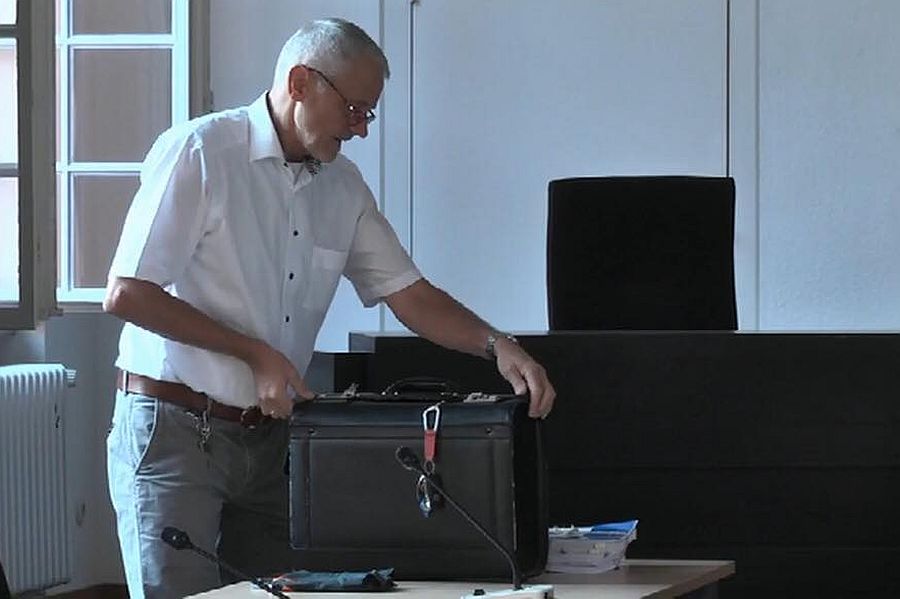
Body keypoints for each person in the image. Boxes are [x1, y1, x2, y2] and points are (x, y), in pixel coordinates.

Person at [103, 17, 556, 599]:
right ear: (300, 83)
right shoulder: (201, 152)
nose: (361, 129)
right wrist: (255, 354)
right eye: (354, 109)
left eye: (369, 114)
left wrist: (498, 345)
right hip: (175, 432)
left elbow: (410, 294)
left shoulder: (343, 187)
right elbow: (128, 292)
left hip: (268, 440)